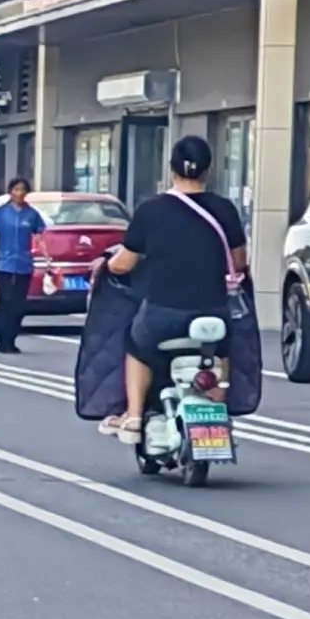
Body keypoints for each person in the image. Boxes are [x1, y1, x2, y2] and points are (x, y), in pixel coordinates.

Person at [104, 136, 247, 438]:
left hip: (162, 315)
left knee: (136, 345)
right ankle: (215, 413)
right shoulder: (225, 210)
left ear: (171, 169)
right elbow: (239, 261)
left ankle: (133, 417)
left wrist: (106, 264)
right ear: (208, 170)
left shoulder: (150, 210)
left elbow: (122, 265)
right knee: (220, 351)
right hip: (213, 311)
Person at [0, 177, 40, 355]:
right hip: (4, 264)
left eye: (23, 190)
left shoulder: (32, 214)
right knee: (5, 302)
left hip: (24, 264)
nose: (19, 193)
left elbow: (40, 236)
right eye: (16, 189)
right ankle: (3, 341)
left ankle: (12, 339)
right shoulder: (1, 212)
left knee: (18, 305)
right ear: (10, 191)